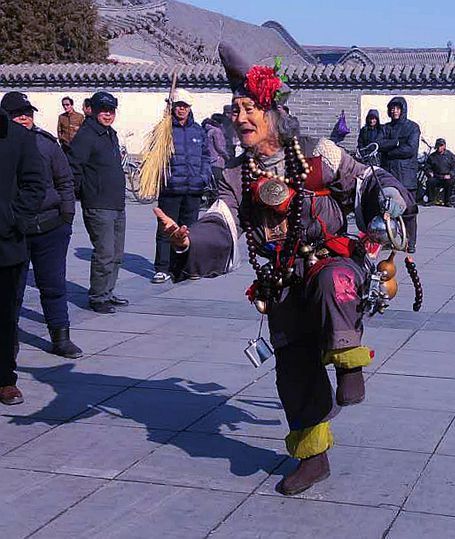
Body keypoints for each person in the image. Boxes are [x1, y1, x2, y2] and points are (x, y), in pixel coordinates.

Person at [156, 43, 413, 495]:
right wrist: (188, 239)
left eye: (249, 108)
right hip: (280, 280)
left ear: (273, 111)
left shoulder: (317, 154)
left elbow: (366, 179)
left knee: (335, 283)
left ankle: (349, 363)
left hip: (330, 258)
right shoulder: (235, 176)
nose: (240, 118)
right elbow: (222, 221)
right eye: (235, 110)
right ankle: (313, 458)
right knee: (293, 369)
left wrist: (388, 196)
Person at [1, 92, 82, 359]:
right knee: (12, 291)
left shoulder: (46, 143)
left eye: (28, 113)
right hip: (15, 230)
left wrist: (66, 216)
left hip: (50, 226)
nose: (24, 118)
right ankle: (8, 344)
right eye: (17, 114)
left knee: (53, 285)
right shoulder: (4, 145)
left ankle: (61, 337)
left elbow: (65, 181)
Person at [0, 105, 45, 405]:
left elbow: (35, 184)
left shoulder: (16, 135)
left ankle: (5, 379)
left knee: (3, 317)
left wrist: (11, 219)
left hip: (4, 243)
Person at [67, 91, 128, 314]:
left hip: (116, 202)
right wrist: (78, 195)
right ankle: (98, 297)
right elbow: (73, 167)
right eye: (103, 110)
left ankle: (107, 292)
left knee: (116, 254)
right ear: (93, 111)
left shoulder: (110, 134)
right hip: (98, 203)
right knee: (104, 252)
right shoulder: (87, 135)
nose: (108, 114)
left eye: (111, 111)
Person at [151, 88, 211, 284]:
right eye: (178, 106)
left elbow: (206, 157)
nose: (182, 109)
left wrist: (203, 177)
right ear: (173, 107)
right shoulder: (164, 130)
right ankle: (162, 267)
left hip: (193, 189)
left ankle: (185, 266)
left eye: (185, 106)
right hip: (171, 190)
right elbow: (154, 158)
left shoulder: (198, 131)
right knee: (166, 229)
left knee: (189, 230)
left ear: (190, 108)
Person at [379, 96, 420, 253]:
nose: (394, 111)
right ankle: (389, 239)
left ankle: (410, 242)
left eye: (397, 108)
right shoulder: (386, 128)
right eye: (392, 108)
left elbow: (409, 149)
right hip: (388, 174)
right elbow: (379, 143)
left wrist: (389, 151)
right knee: (387, 209)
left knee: (409, 211)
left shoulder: (412, 127)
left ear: (403, 110)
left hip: (406, 175)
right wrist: (396, 143)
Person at [425, 138, 455, 206]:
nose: (439, 147)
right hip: (436, 176)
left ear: (444, 146)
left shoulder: (450, 156)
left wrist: (450, 175)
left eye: (441, 145)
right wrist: (429, 172)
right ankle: (431, 200)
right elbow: (427, 167)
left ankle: (447, 201)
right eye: (438, 145)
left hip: (446, 176)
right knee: (430, 182)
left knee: (450, 182)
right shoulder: (432, 156)